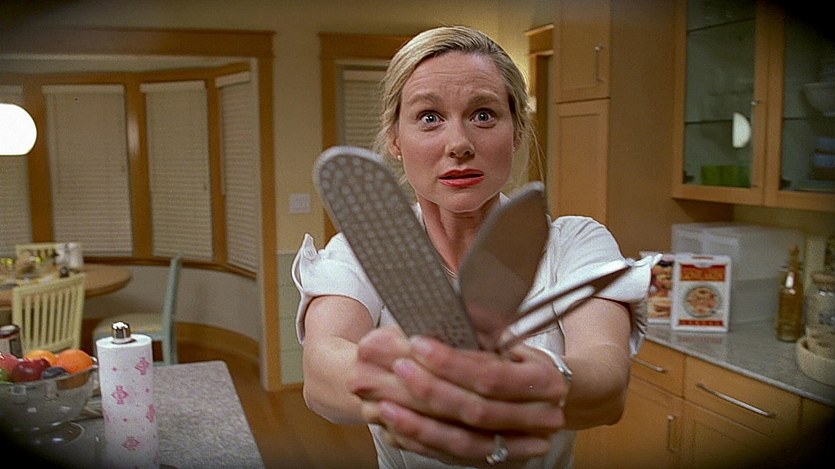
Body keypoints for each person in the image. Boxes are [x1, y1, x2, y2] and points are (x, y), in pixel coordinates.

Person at [292, 25, 651, 469]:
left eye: (483, 115)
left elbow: (607, 378)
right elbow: (321, 371)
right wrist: (416, 386)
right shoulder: (364, 249)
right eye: (429, 117)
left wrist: (538, 381)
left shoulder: (575, 243)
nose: (459, 144)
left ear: (516, 131)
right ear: (396, 139)